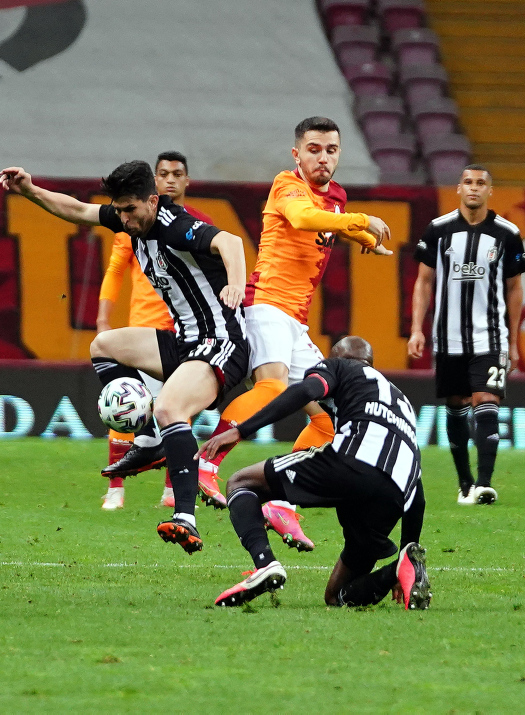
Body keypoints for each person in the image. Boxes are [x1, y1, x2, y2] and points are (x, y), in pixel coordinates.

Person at [0, 160, 249, 554]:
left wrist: (236, 285)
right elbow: (77, 210)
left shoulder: (176, 226)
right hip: (185, 341)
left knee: (170, 408)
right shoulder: (129, 219)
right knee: (103, 346)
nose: (124, 219)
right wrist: (30, 190)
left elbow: (230, 243)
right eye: (119, 210)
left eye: (130, 209)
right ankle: (148, 438)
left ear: (153, 201)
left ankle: (185, 516)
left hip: (221, 342)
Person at [198, 116, 392, 550]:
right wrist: (363, 221)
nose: (323, 158)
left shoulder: (336, 197)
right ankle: (205, 463)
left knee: (329, 418)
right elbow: (305, 219)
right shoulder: (287, 185)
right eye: (314, 149)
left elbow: (330, 221)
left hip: (295, 320)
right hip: (266, 303)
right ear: (297, 154)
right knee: (271, 386)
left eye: (331, 150)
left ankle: (281, 502)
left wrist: (364, 238)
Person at [199, 336, 430, 610]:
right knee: (337, 596)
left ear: (336, 358)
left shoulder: (340, 367)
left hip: (352, 463)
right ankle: (398, 569)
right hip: (394, 493)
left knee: (241, 482)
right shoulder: (402, 403)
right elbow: (417, 494)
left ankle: (265, 564)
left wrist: (241, 430)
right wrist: (408, 548)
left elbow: (304, 391)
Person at [96, 151, 221, 512]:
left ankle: (171, 490)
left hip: (185, 332)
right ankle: (115, 487)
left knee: (174, 411)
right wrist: (104, 319)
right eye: (163, 173)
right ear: (154, 183)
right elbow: (115, 269)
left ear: (187, 181)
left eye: (176, 174)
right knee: (126, 404)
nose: (169, 180)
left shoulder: (196, 225)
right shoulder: (131, 221)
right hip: (144, 329)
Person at [408, 165, 525, 506]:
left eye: (481, 183)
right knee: (456, 404)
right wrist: (416, 329)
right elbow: (424, 282)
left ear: (490, 191)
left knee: (486, 399)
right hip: (447, 337)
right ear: (459, 188)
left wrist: (513, 342)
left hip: (491, 335)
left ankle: (484, 485)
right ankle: (465, 483)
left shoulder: (508, 233)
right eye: (468, 182)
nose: (474, 188)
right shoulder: (438, 230)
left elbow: (515, 288)